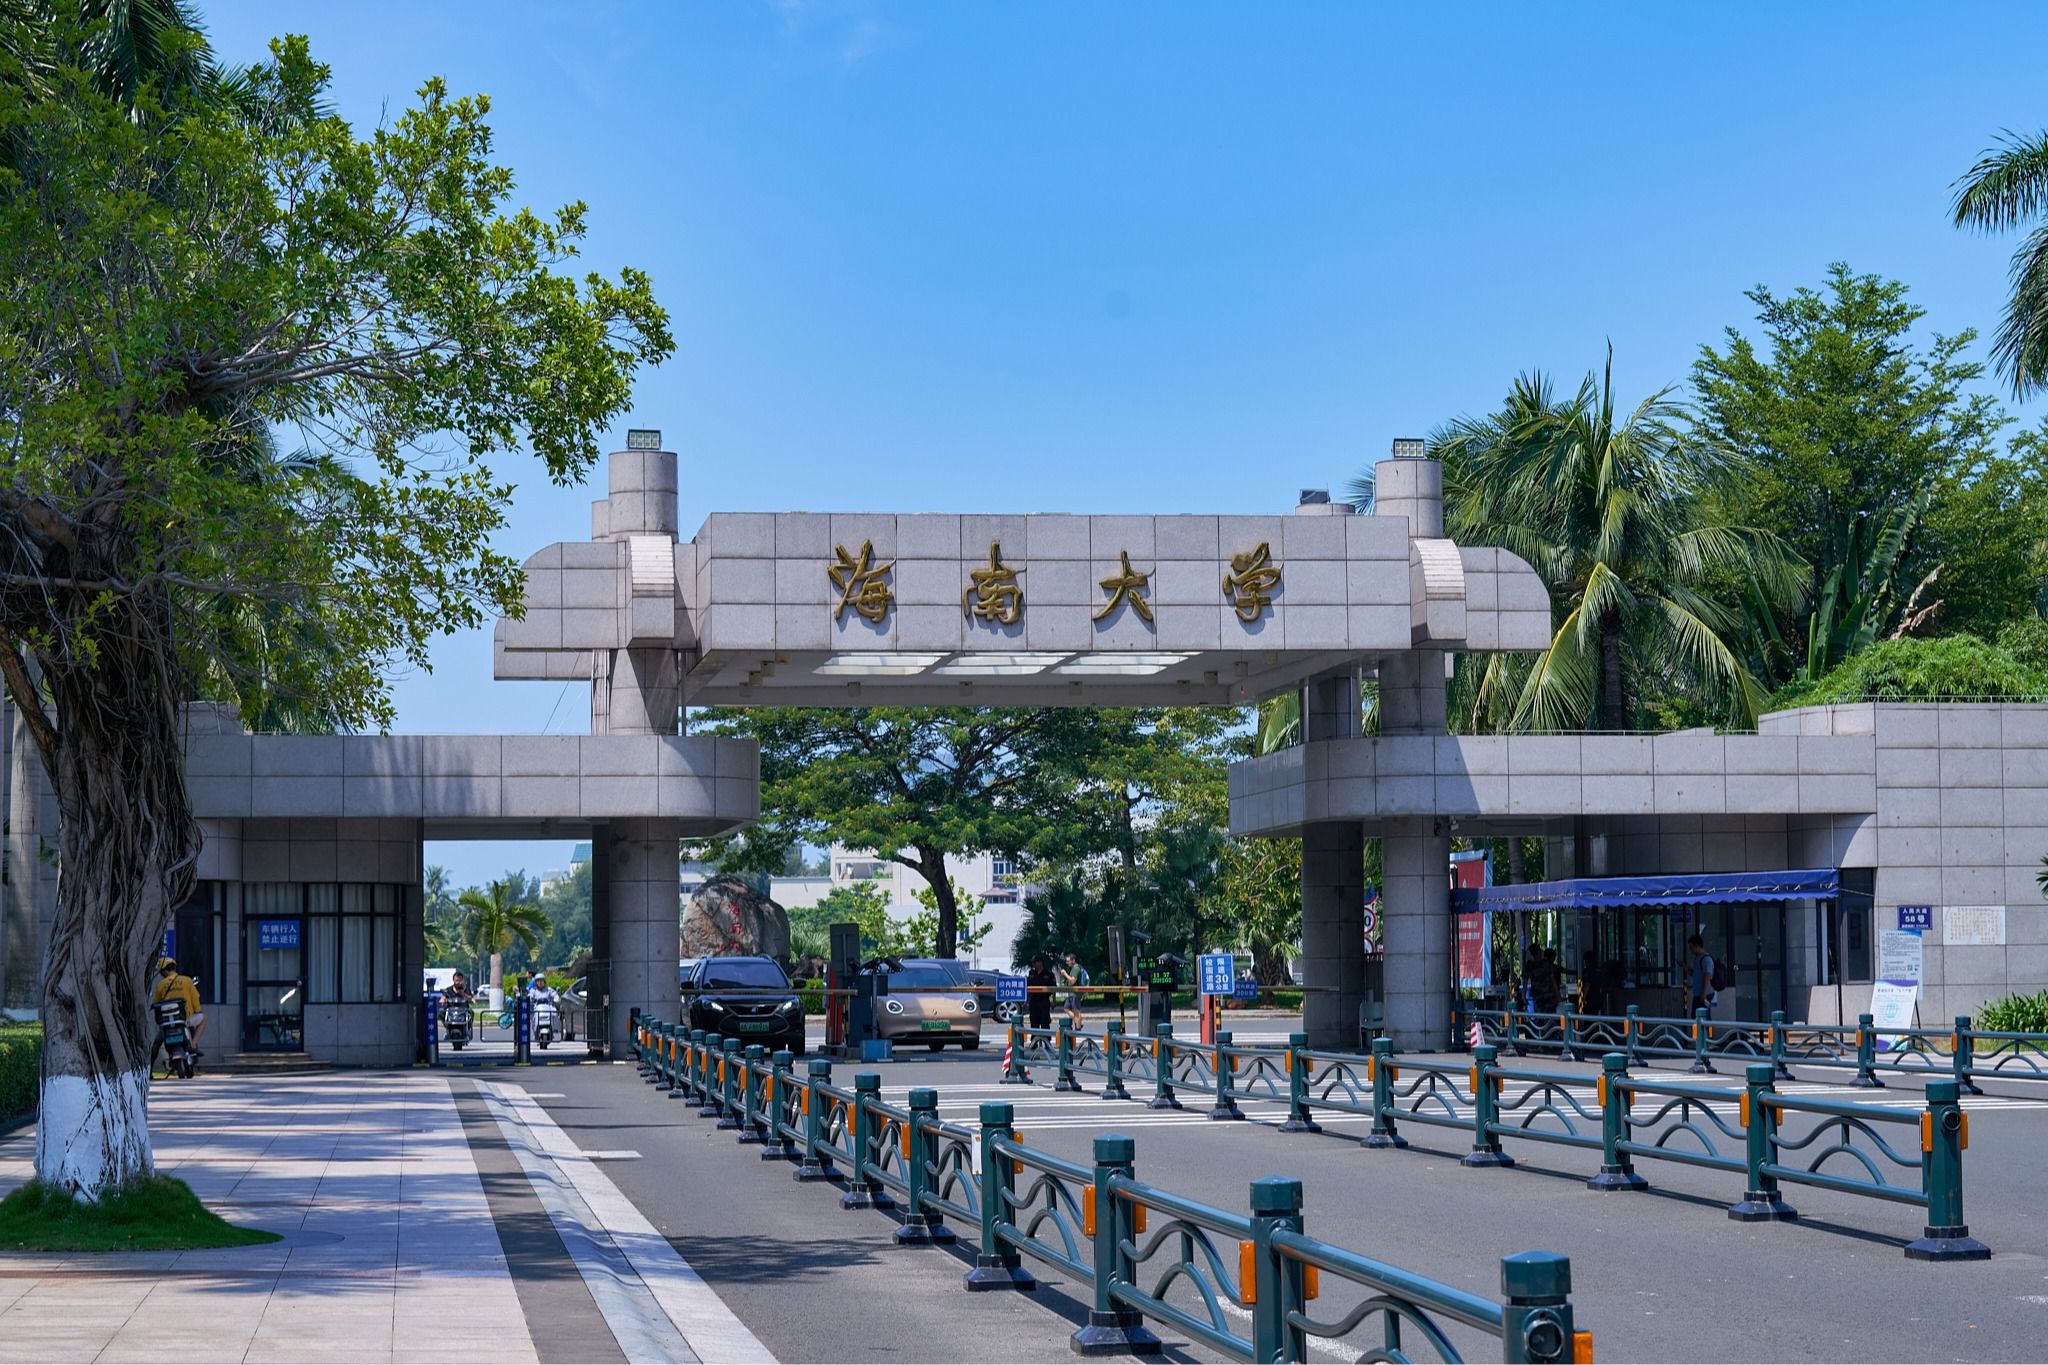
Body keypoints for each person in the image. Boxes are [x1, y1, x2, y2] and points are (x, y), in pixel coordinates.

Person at [151, 956, 205, 1063]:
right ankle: (193, 1045)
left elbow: (156, 1003)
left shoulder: (160, 985)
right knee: (204, 1018)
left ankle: (149, 1068)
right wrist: (197, 1010)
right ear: (174, 968)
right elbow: (195, 1000)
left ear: (164, 971)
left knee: (156, 1044)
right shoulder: (187, 981)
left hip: (166, 1022)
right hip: (184, 1020)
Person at [1685, 934, 1717, 1016]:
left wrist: (1704, 993)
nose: (1690, 950)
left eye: (1691, 947)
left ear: (1697, 946)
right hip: (1698, 993)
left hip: (1704, 994)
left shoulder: (1706, 959)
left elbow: (1707, 976)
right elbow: (1695, 974)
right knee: (1697, 1016)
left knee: (1702, 1016)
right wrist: (1684, 967)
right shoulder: (1697, 959)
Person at [1058, 953, 1090, 1029]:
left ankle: (1078, 1027)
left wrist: (1065, 974)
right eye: (1066, 961)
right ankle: (1078, 1021)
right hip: (1071, 993)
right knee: (1066, 1008)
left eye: (1068, 961)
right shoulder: (1073, 968)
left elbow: (1073, 981)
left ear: (1073, 960)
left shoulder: (1076, 968)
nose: (1067, 963)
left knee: (1076, 1011)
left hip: (1076, 994)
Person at [1025, 954, 1055, 1032]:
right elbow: (1027, 987)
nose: (1034, 964)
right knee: (1034, 1022)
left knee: (1045, 1021)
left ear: (1040, 963)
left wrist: (1053, 1000)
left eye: (1035, 962)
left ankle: (1046, 1038)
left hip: (1044, 1000)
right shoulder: (1031, 973)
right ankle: (1034, 1039)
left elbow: (1053, 988)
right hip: (1034, 1000)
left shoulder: (1049, 973)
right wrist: (1027, 1000)